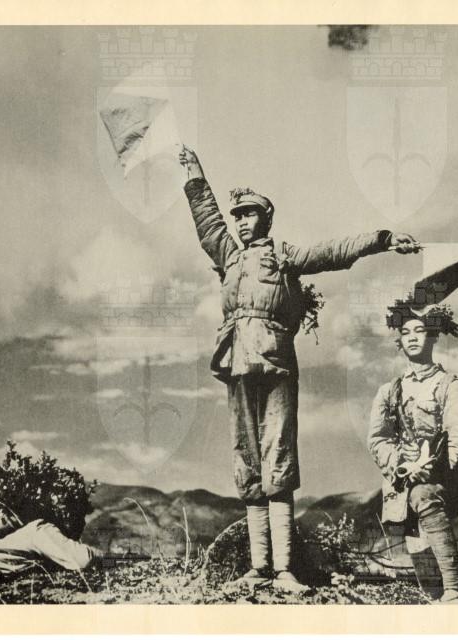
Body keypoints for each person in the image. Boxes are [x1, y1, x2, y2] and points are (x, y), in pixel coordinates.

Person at [178, 146, 419, 591]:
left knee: (279, 457)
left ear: (266, 219)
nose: (241, 222)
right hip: (235, 362)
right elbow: (207, 222)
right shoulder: (229, 257)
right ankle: (258, 568)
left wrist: (382, 239)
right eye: (238, 216)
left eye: (250, 214)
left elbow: (331, 252)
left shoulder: (285, 256)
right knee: (246, 460)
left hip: (275, 364)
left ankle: (285, 570)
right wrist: (195, 175)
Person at [367, 299, 458, 603]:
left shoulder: (449, 385)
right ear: (399, 342)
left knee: (423, 495)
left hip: (445, 479)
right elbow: (377, 439)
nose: (413, 337)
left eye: (420, 331)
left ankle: (455, 590)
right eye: (406, 333)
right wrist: (399, 464)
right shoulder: (389, 391)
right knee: (430, 590)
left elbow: (457, 436)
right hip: (403, 481)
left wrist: (433, 469)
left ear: (432, 337)